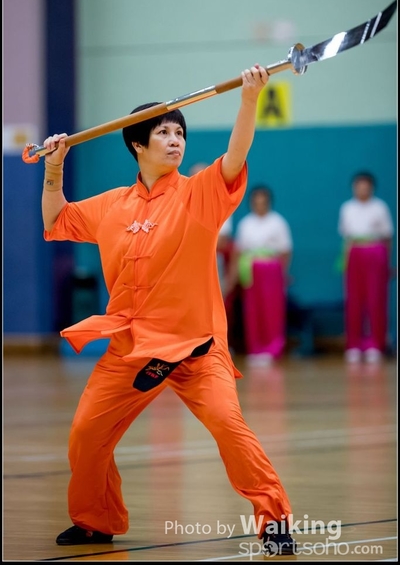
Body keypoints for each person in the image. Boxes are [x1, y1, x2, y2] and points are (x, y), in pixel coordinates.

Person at [41, 63, 296, 556]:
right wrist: (54, 169)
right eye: (162, 132)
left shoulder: (199, 194)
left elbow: (236, 155)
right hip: (132, 348)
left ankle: (274, 521)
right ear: (137, 144)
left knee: (229, 426)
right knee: (86, 434)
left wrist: (249, 99)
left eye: (179, 132)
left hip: (197, 347)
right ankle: (96, 520)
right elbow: (57, 218)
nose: (175, 139)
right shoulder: (112, 205)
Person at [228, 185, 292, 366]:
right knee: (253, 310)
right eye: (256, 202)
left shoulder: (278, 222)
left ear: (269, 202)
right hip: (251, 270)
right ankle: (256, 348)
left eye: (263, 202)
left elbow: (285, 251)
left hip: (271, 269)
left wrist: (282, 273)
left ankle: (273, 348)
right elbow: (238, 251)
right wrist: (234, 275)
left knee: (272, 309)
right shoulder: (246, 223)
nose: (259, 205)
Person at [338, 171, 394, 364]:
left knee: (375, 298)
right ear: (354, 187)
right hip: (355, 252)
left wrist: (386, 263)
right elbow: (346, 239)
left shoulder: (380, 207)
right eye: (359, 186)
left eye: (366, 186)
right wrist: (345, 262)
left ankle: (375, 344)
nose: (362, 189)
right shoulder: (347, 208)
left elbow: (388, 238)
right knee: (354, 300)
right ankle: (354, 345)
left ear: (371, 187)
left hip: (375, 252)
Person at [189, 162, 234, 298]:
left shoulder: (221, 203)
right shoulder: (181, 202)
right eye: (194, 177)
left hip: (210, 262)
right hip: (185, 263)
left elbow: (222, 240)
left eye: (202, 177)